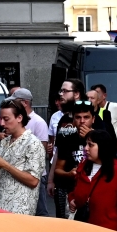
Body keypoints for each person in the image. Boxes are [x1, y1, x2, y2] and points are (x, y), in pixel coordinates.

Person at [70, 129, 117, 232]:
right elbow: (76, 189)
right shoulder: (84, 165)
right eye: (86, 144)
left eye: (90, 145)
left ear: (103, 147)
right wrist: (73, 199)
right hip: (83, 229)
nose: (86, 148)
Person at [0, 100, 46, 215]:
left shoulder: (33, 143)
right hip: (0, 206)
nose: (1, 123)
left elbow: (33, 181)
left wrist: (5, 165)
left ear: (19, 118)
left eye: (6, 119)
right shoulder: (5, 141)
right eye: (1, 119)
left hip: (21, 210)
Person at [48, 79, 87, 218]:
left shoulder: (94, 117)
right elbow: (57, 151)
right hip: (63, 183)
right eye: (60, 91)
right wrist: (51, 180)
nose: (61, 94)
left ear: (76, 94)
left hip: (85, 183)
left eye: (65, 91)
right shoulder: (63, 119)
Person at [89, 84, 117, 151]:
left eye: (97, 93)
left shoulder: (114, 107)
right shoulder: (91, 111)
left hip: (114, 149)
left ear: (104, 96)